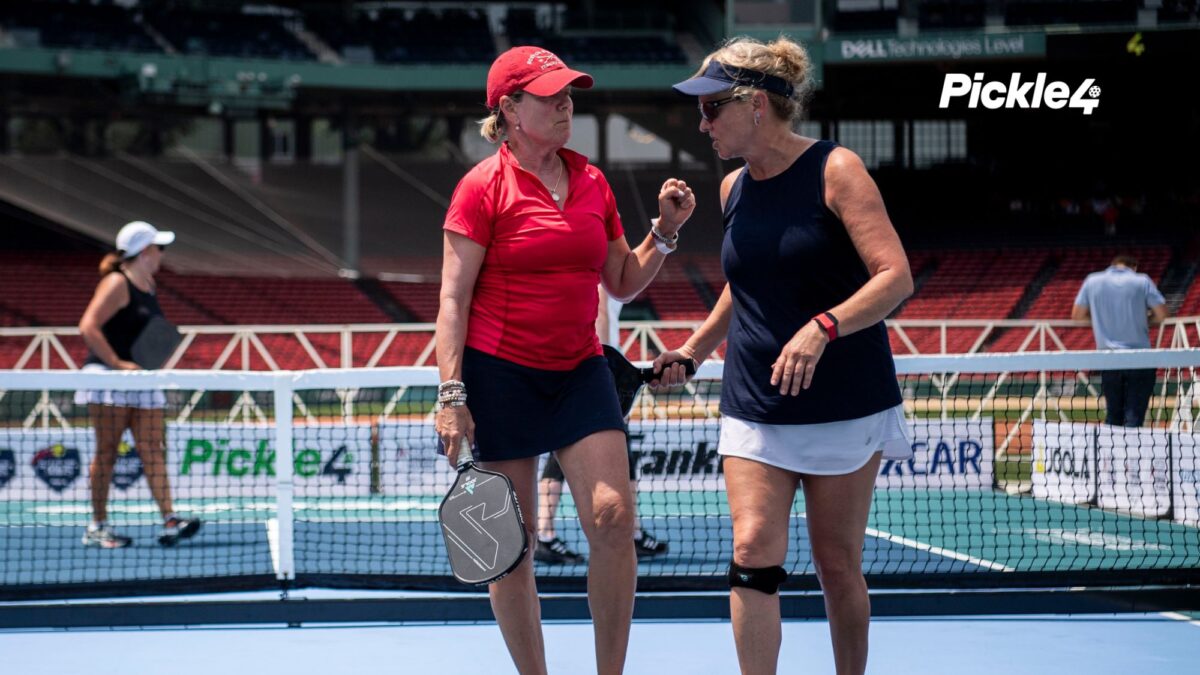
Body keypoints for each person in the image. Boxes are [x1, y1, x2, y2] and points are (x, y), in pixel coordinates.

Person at [652, 37, 914, 675]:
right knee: (751, 552)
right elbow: (746, 285)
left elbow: (895, 277)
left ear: (756, 105)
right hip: (754, 402)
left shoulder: (837, 169)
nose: (702, 123)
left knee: (836, 565)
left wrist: (824, 326)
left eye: (711, 108)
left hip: (844, 401)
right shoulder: (732, 188)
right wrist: (693, 350)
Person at [434, 46, 695, 675]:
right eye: (550, 96)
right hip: (500, 376)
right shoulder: (480, 188)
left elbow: (622, 280)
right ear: (509, 108)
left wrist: (664, 231)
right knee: (512, 548)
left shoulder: (593, 181)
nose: (565, 105)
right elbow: (452, 299)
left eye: (569, 94)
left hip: (580, 370)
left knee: (613, 517)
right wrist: (451, 394)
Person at [76, 221, 201, 549]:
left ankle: (170, 519)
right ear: (145, 251)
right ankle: (98, 526)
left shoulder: (150, 285)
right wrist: (116, 364)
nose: (162, 254)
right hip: (109, 379)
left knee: (152, 449)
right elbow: (88, 326)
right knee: (107, 451)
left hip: (140, 380)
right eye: (160, 248)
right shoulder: (116, 282)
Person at [534, 287, 668, 565]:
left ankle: (631, 530)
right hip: (593, 373)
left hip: (582, 370)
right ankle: (545, 533)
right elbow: (600, 313)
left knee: (577, 448)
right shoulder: (600, 275)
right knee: (580, 449)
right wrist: (607, 370)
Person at [1072, 255, 1169, 427]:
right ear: (1134, 267)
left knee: (1113, 416)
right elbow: (1162, 314)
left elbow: (1077, 315)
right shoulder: (1142, 281)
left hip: (1109, 360)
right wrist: (1146, 319)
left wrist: (1100, 320)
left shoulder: (1092, 281)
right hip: (1140, 358)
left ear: (1113, 265)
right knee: (1134, 417)